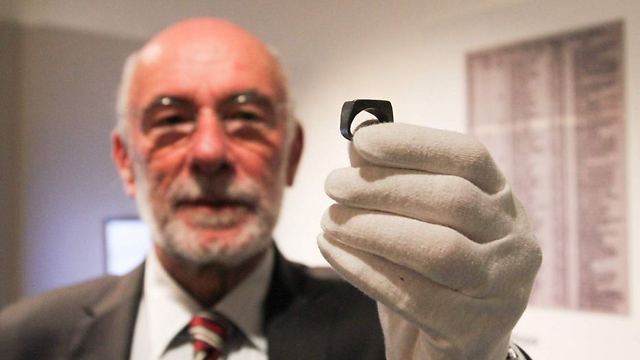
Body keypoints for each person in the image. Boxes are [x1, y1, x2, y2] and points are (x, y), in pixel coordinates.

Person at [0, 18, 541, 360]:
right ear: (126, 160)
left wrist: (483, 354)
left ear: (292, 155)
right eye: (171, 120)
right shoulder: (24, 339)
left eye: (247, 117)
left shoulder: (392, 322)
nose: (210, 152)